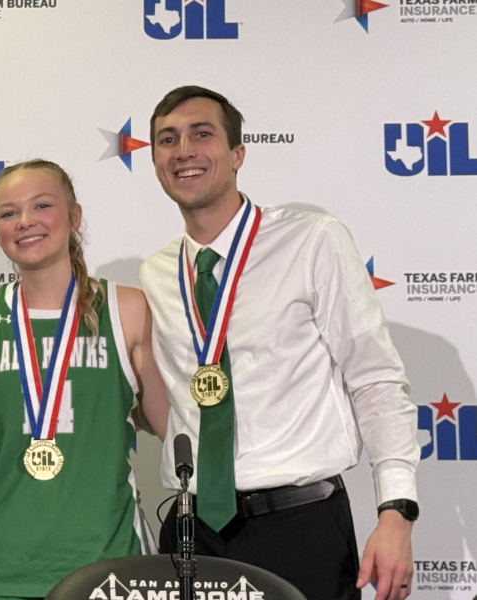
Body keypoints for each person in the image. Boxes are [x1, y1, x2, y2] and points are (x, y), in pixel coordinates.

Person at [139, 85, 419, 600]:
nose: (184, 151)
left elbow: (375, 377)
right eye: (167, 140)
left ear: (237, 153)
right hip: (191, 531)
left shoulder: (313, 241)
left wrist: (397, 510)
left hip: (300, 526)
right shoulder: (155, 274)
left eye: (202, 134)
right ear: (155, 161)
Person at [0, 159, 169, 600]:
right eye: (8, 212)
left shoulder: (126, 308)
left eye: (42, 205)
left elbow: (173, 424)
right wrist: (4, 512)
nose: (26, 222)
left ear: (74, 217)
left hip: (108, 560)